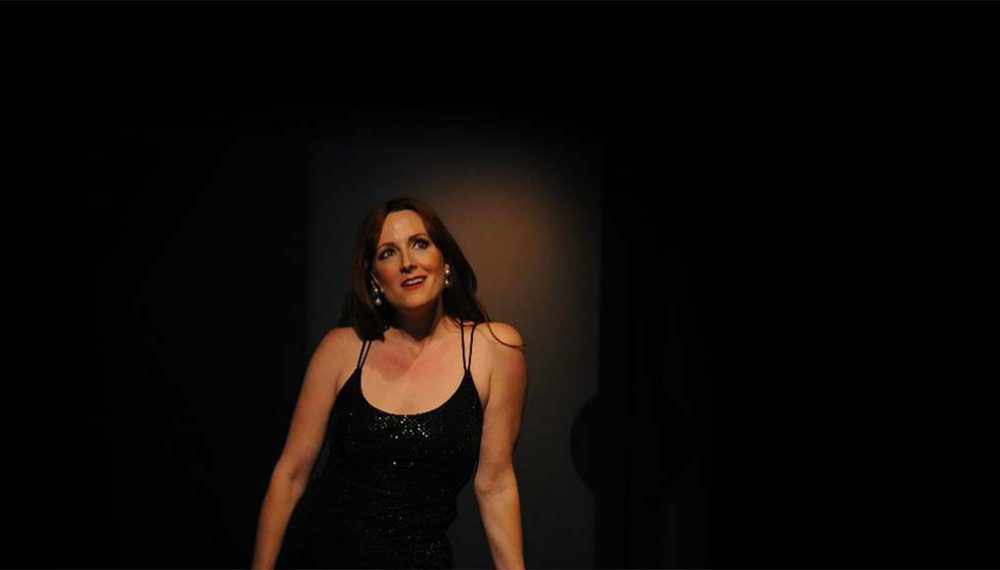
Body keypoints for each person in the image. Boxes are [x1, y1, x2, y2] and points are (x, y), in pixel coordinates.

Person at [252, 197, 528, 569]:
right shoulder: (343, 347)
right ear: (374, 279)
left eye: (420, 243)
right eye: (388, 253)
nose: (407, 262)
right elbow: (291, 475)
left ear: (445, 259)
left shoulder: (495, 349)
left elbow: (495, 484)